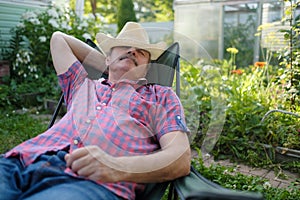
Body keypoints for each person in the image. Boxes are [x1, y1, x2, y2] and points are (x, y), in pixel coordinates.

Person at [0, 22, 191, 200]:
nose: (132, 51)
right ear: (106, 57)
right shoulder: (81, 84)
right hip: (19, 161)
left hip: (90, 183)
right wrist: (113, 67)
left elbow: (180, 158)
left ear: (148, 67)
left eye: (141, 52)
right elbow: (59, 39)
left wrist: (116, 167)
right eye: (124, 47)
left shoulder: (161, 97)